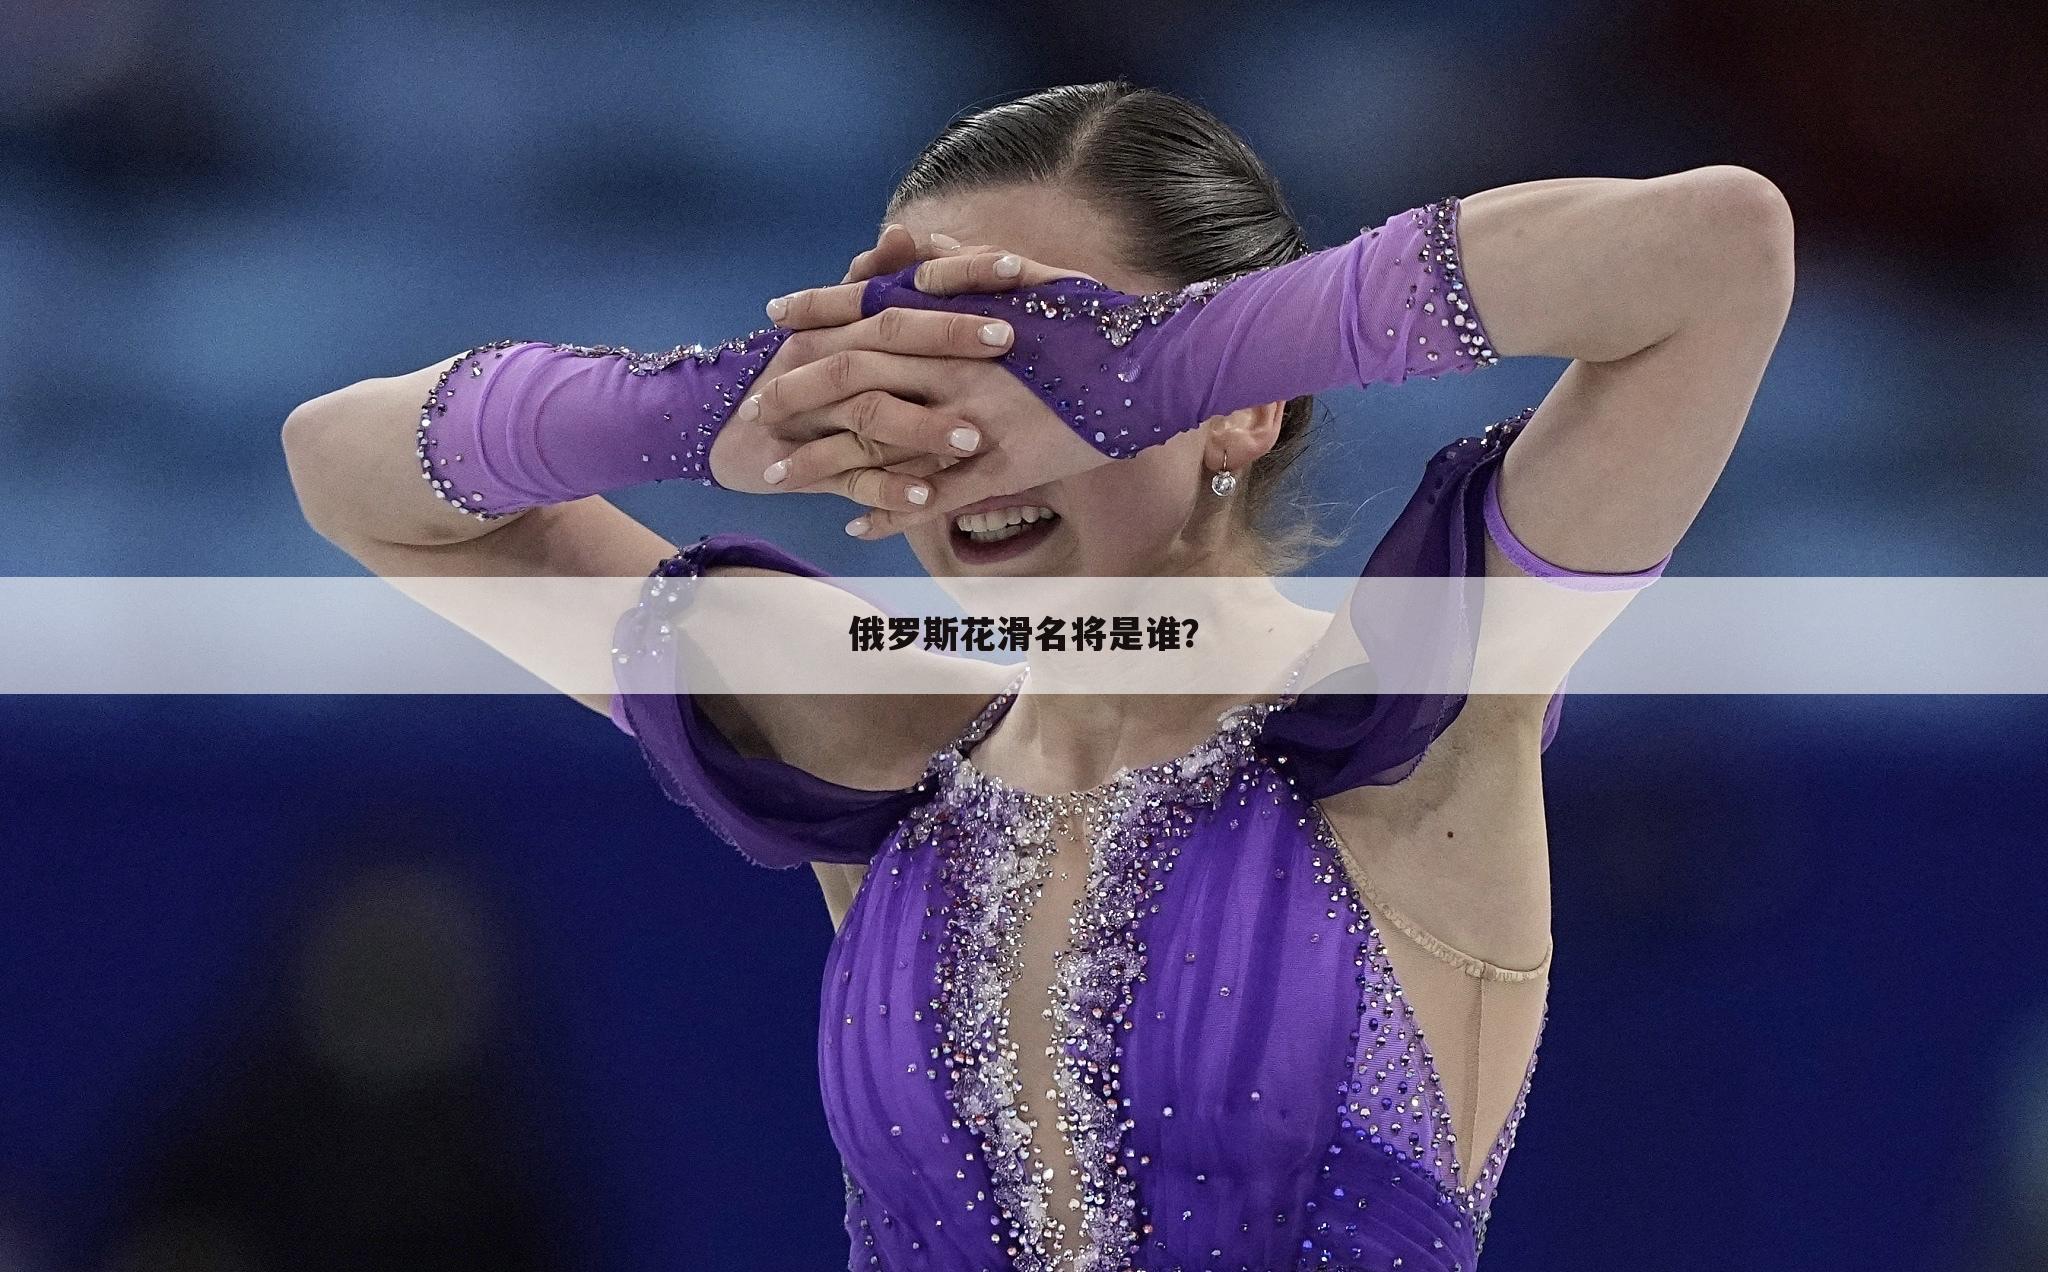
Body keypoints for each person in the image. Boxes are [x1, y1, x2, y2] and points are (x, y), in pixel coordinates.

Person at [282, 82, 1793, 1271]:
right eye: (922, 379)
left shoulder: (1412, 712)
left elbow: (1716, 251)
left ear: (1238, 410)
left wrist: (1176, 359)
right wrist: (704, 410)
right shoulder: (887, 735)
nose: (959, 441)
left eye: (1039, 369)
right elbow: (346, 469)